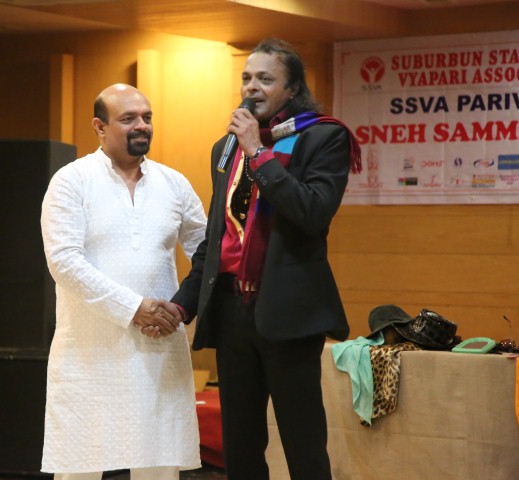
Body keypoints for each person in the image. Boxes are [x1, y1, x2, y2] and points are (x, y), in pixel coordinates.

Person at [162, 38, 362, 480]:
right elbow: (218, 238)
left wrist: (257, 152)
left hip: (288, 311)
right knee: (241, 445)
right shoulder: (226, 147)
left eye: (265, 79)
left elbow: (312, 212)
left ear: (291, 89)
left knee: (303, 442)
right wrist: (183, 303)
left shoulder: (323, 137)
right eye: (247, 78)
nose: (252, 87)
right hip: (232, 310)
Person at [40, 83, 207, 480]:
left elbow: (208, 252)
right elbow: (64, 261)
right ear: (99, 127)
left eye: (147, 117)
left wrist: (180, 309)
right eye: (128, 118)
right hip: (89, 349)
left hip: (158, 344)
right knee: (80, 463)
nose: (142, 125)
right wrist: (132, 308)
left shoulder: (174, 183)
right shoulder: (72, 180)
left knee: (158, 461)